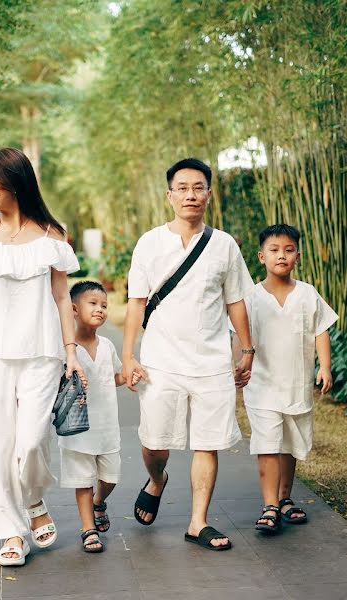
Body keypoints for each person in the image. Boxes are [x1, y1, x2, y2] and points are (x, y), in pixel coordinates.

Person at [0, 147, 86, 567]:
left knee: (30, 442)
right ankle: (11, 531)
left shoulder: (51, 236)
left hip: (42, 353)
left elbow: (62, 298)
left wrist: (70, 353)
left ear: (15, 181)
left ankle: (34, 498)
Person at [122, 158, 256, 551]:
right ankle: (157, 479)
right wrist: (129, 356)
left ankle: (198, 522)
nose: (190, 195)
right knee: (154, 442)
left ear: (209, 195)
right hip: (161, 361)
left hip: (212, 362)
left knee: (207, 441)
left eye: (198, 187)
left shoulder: (224, 245)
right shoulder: (149, 243)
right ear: (169, 196)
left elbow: (236, 302)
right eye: (182, 188)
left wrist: (246, 349)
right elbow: (135, 303)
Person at [242, 224, 338, 534]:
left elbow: (320, 330)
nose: (281, 255)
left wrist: (324, 367)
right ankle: (269, 505)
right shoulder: (251, 297)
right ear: (261, 256)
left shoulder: (307, 293)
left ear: (297, 255)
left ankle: (284, 498)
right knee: (268, 443)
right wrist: (238, 364)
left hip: (297, 382)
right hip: (261, 383)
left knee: (289, 444)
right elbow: (238, 335)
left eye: (288, 249)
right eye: (274, 250)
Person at [59, 281, 133, 553]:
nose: (100, 309)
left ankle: (99, 502)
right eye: (93, 304)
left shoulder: (108, 346)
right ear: (74, 309)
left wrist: (129, 374)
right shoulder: (65, 348)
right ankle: (88, 528)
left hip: (106, 428)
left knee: (110, 477)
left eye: (104, 305)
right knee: (82, 480)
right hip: (77, 430)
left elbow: (113, 377)